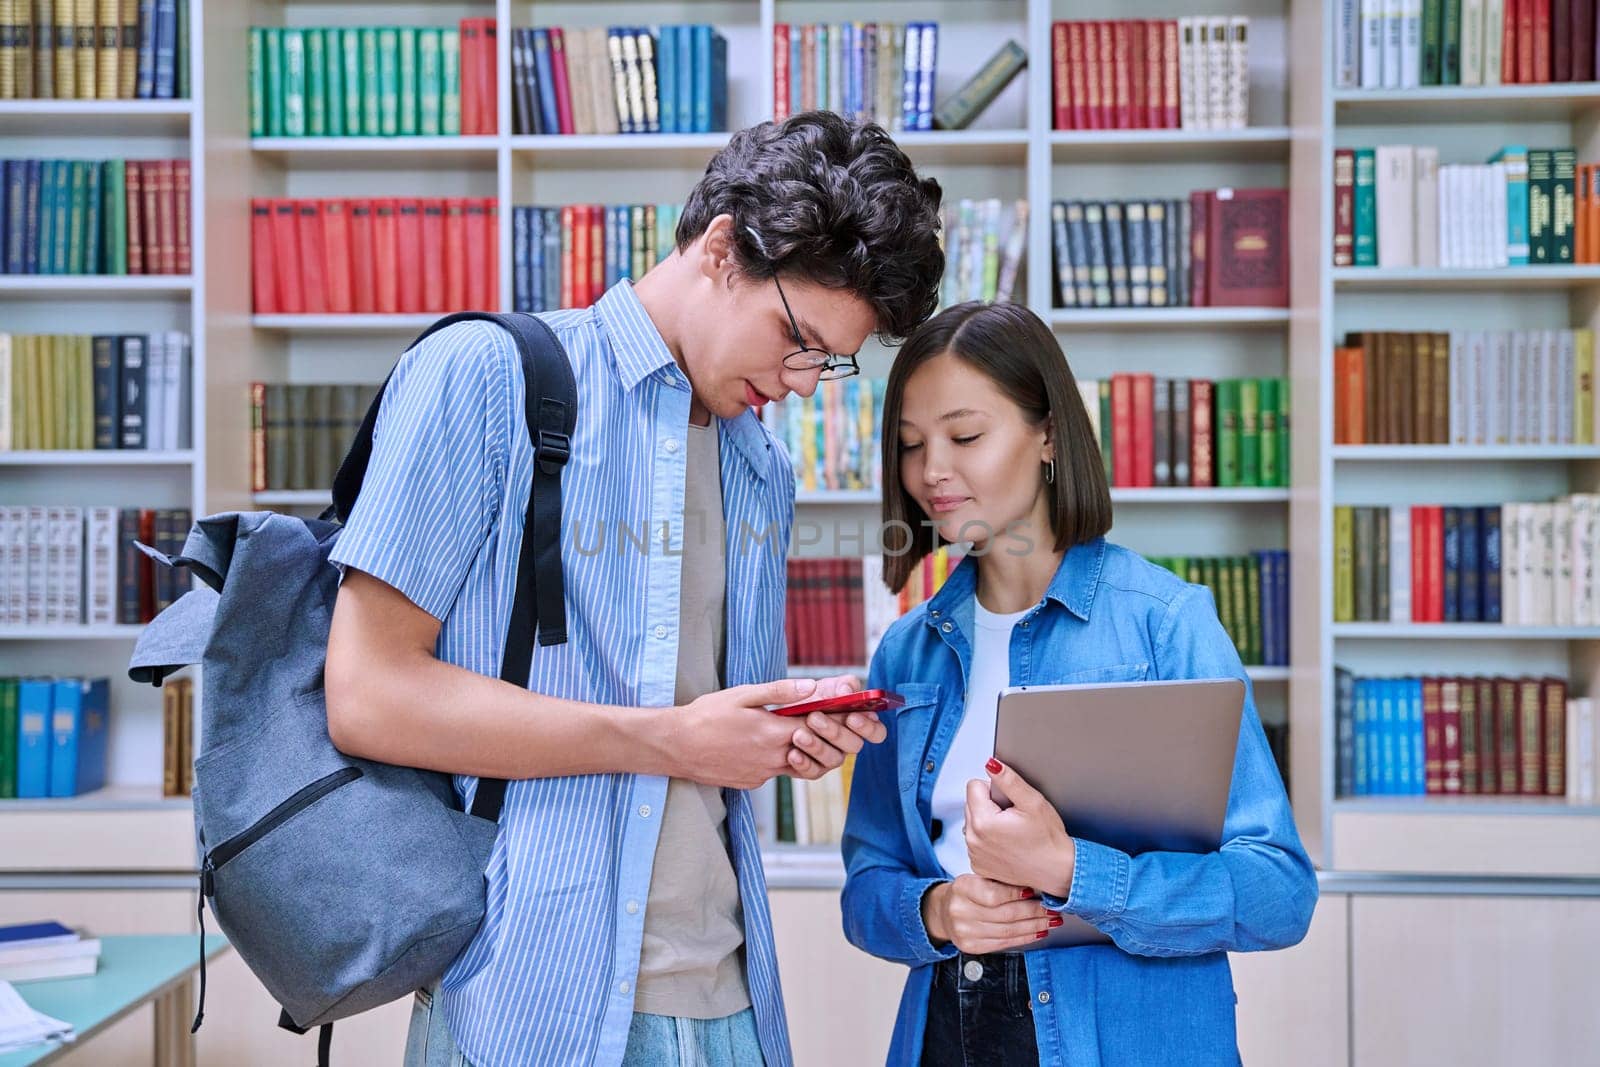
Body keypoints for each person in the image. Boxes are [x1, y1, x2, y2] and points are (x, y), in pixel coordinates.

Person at [322, 111, 945, 1067]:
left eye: (830, 360)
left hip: (731, 995)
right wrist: (670, 738)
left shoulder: (758, 463)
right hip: (527, 1001)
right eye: (796, 337)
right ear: (725, 249)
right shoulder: (484, 377)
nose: (805, 382)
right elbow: (368, 695)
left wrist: (776, 730)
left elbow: (706, 727)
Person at [839, 300, 1318, 1066]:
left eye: (965, 436)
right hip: (948, 1032)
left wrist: (1072, 873)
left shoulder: (1166, 624)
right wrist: (937, 909)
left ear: (1050, 434)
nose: (933, 471)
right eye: (910, 444)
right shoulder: (908, 651)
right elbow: (865, 887)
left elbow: (1278, 893)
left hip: (1124, 1039)